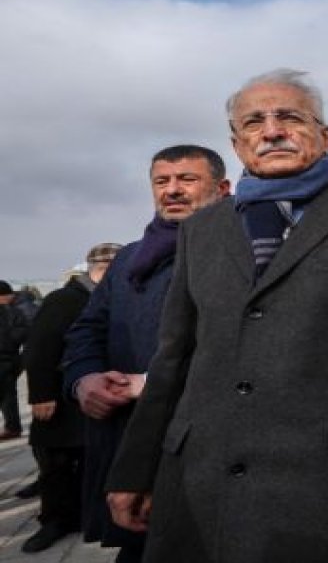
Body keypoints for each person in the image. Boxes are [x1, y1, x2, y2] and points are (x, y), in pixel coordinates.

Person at [104, 69, 328, 562]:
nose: (271, 131)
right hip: (206, 482)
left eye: (288, 117)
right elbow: (173, 358)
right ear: (238, 142)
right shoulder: (201, 231)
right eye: (254, 122)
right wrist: (133, 470)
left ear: (324, 134)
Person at [62, 145, 229, 563]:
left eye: (187, 180)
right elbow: (87, 329)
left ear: (223, 188)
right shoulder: (129, 260)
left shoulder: (245, 254)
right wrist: (85, 380)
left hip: (204, 450)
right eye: (161, 181)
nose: (172, 190)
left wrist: (150, 383)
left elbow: (253, 350)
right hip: (126, 443)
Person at [21, 243, 121, 552]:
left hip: (97, 397)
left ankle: (84, 513)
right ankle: (53, 521)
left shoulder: (113, 298)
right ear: (100, 269)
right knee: (57, 465)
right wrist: (41, 394)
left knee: (89, 460)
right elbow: (40, 348)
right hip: (61, 401)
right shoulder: (64, 300)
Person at [0, 281, 29, 441]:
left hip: (7, 358)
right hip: (11, 358)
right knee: (8, 394)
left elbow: (22, 335)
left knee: (8, 395)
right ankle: (12, 426)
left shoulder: (14, 311)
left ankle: (12, 427)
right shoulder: (18, 309)